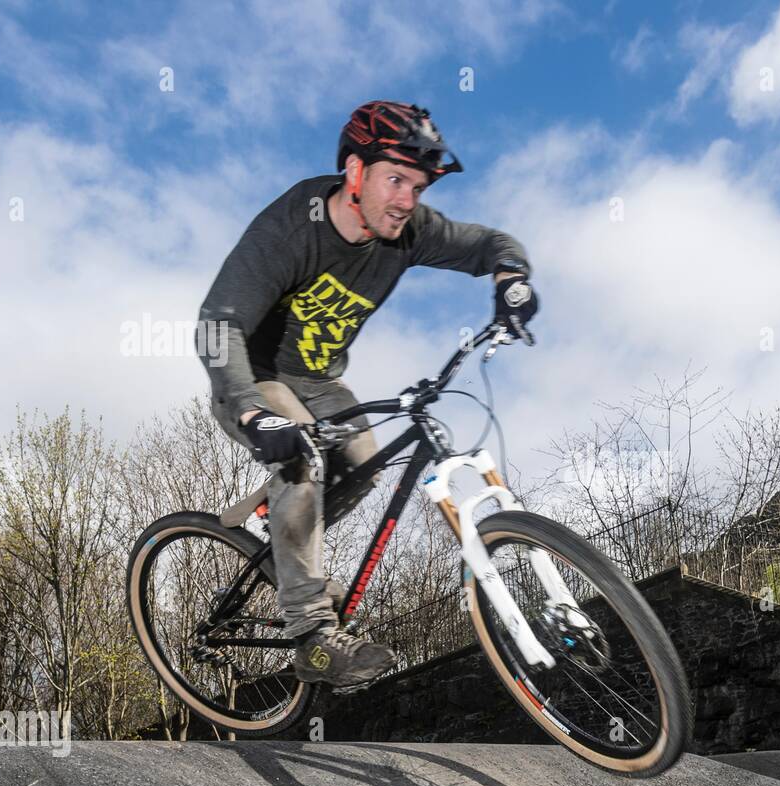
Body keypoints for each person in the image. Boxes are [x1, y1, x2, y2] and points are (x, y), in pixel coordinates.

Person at [197, 101, 538, 687]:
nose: (407, 200)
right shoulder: (289, 229)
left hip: (320, 379)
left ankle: (274, 536)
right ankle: (313, 636)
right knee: (302, 460)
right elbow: (217, 323)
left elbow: (488, 244)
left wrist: (511, 276)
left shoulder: (408, 231)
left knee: (364, 464)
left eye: (419, 186)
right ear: (354, 173)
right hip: (252, 376)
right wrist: (252, 411)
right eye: (395, 180)